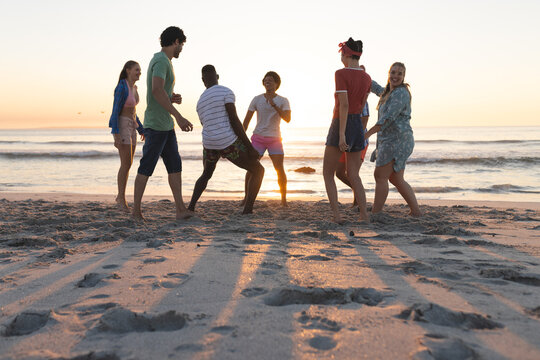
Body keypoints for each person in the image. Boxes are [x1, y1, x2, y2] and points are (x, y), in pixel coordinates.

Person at [132, 26, 194, 221]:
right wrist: (179, 116)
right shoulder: (161, 61)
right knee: (147, 167)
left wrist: (171, 97)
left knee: (175, 165)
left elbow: (161, 92)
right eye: (181, 44)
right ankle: (136, 212)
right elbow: (156, 90)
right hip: (157, 125)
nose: (181, 48)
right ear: (176, 41)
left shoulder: (162, 61)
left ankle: (180, 209)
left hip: (165, 126)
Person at [188, 65, 264, 214]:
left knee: (206, 174)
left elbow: (205, 124)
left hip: (209, 143)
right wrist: (249, 147)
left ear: (203, 80)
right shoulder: (225, 91)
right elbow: (234, 119)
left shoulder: (200, 101)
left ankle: (191, 207)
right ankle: (247, 210)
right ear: (217, 77)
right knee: (258, 170)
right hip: (227, 141)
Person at [323, 37, 371, 224]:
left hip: (340, 123)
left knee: (328, 173)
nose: (341, 58)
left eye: (342, 55)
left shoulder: (341, 74)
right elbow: (361, 105)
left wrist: (342, 134)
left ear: (347, 54)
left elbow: (344, 105)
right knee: (354, 175)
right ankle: (364, 216)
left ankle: (336, 216)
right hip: (357, 124)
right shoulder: (367, 77)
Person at [364, 62, 421, 216]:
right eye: (393, 72)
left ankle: (376, 213)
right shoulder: (389, 92)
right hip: (394, 140)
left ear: (403, 77)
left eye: (399, 74)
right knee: (396, 178)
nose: (395, 76)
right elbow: (376, 88)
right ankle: (415, 211)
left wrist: (366, 134)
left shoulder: (401, 93)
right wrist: (363, 74)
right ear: (388, 74)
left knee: (380, 175)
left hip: (397, 141)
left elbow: (387, 119)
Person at [242, 72, 291, 206]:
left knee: (279, 168)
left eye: (271, 80)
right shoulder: (256, 99)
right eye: (265, 80)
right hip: (258, 138)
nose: (267, 82)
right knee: (251, 168)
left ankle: (283, 200)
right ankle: (246, 198)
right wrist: (240, 137)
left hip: (275, 138)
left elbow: (287, 119)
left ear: (276, 84)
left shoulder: (283, 100)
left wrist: (274, 105)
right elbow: (246, 121)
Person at [109, 61, 144, 212]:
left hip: (132, 126)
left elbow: (134, 113)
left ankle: (121, 197)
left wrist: (142, 129)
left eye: (140, 70)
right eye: (137, 70)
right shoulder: (122, 87)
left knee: (128, 164)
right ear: (128, 70)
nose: (139, 72)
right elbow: (116, 109)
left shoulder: (134, 88)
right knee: (125, 164)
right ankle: (121, 198)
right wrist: (115, 133)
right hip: (122, 125)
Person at [335, 101, 370, 208]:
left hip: (358, 141)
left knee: (353, 174)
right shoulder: (342, 98)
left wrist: (355, 141)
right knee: (339, 172)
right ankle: (358, 193)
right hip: (344, 141)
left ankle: (358, 201)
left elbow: (364, 121)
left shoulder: (362, 100)